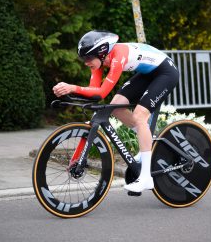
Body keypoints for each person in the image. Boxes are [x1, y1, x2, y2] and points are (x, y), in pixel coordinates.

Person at [53, 30, 179, 193]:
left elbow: (101, 93)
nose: (86, 63)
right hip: (147, 74)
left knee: (139, 116)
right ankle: (146, 138)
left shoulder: (118, 57)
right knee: (116, 107)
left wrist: (72, 87)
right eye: (84, 59)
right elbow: (93, 91)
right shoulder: (99, 61)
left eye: (88, 58)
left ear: (101, 52)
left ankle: (146, 177)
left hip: (166, 73)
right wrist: (70, 92)